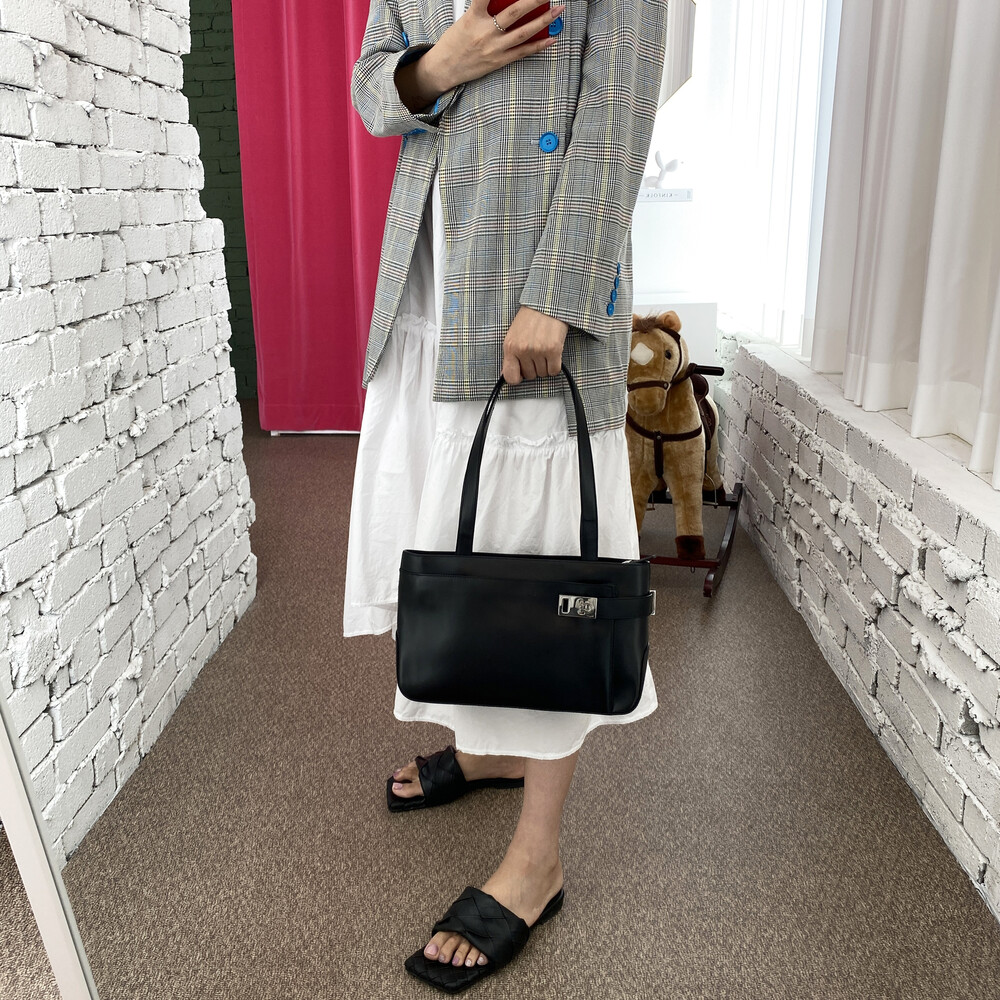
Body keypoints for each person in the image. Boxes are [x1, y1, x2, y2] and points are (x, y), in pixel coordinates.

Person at [344, 0, 668, 990]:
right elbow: (372, 91)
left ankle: (537, 861)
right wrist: (438, 64)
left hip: (530, 278)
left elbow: (618, 110)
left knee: (540, 566)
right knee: (457, 541)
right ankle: (489, 750)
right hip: (430, 274)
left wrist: (558, 294)